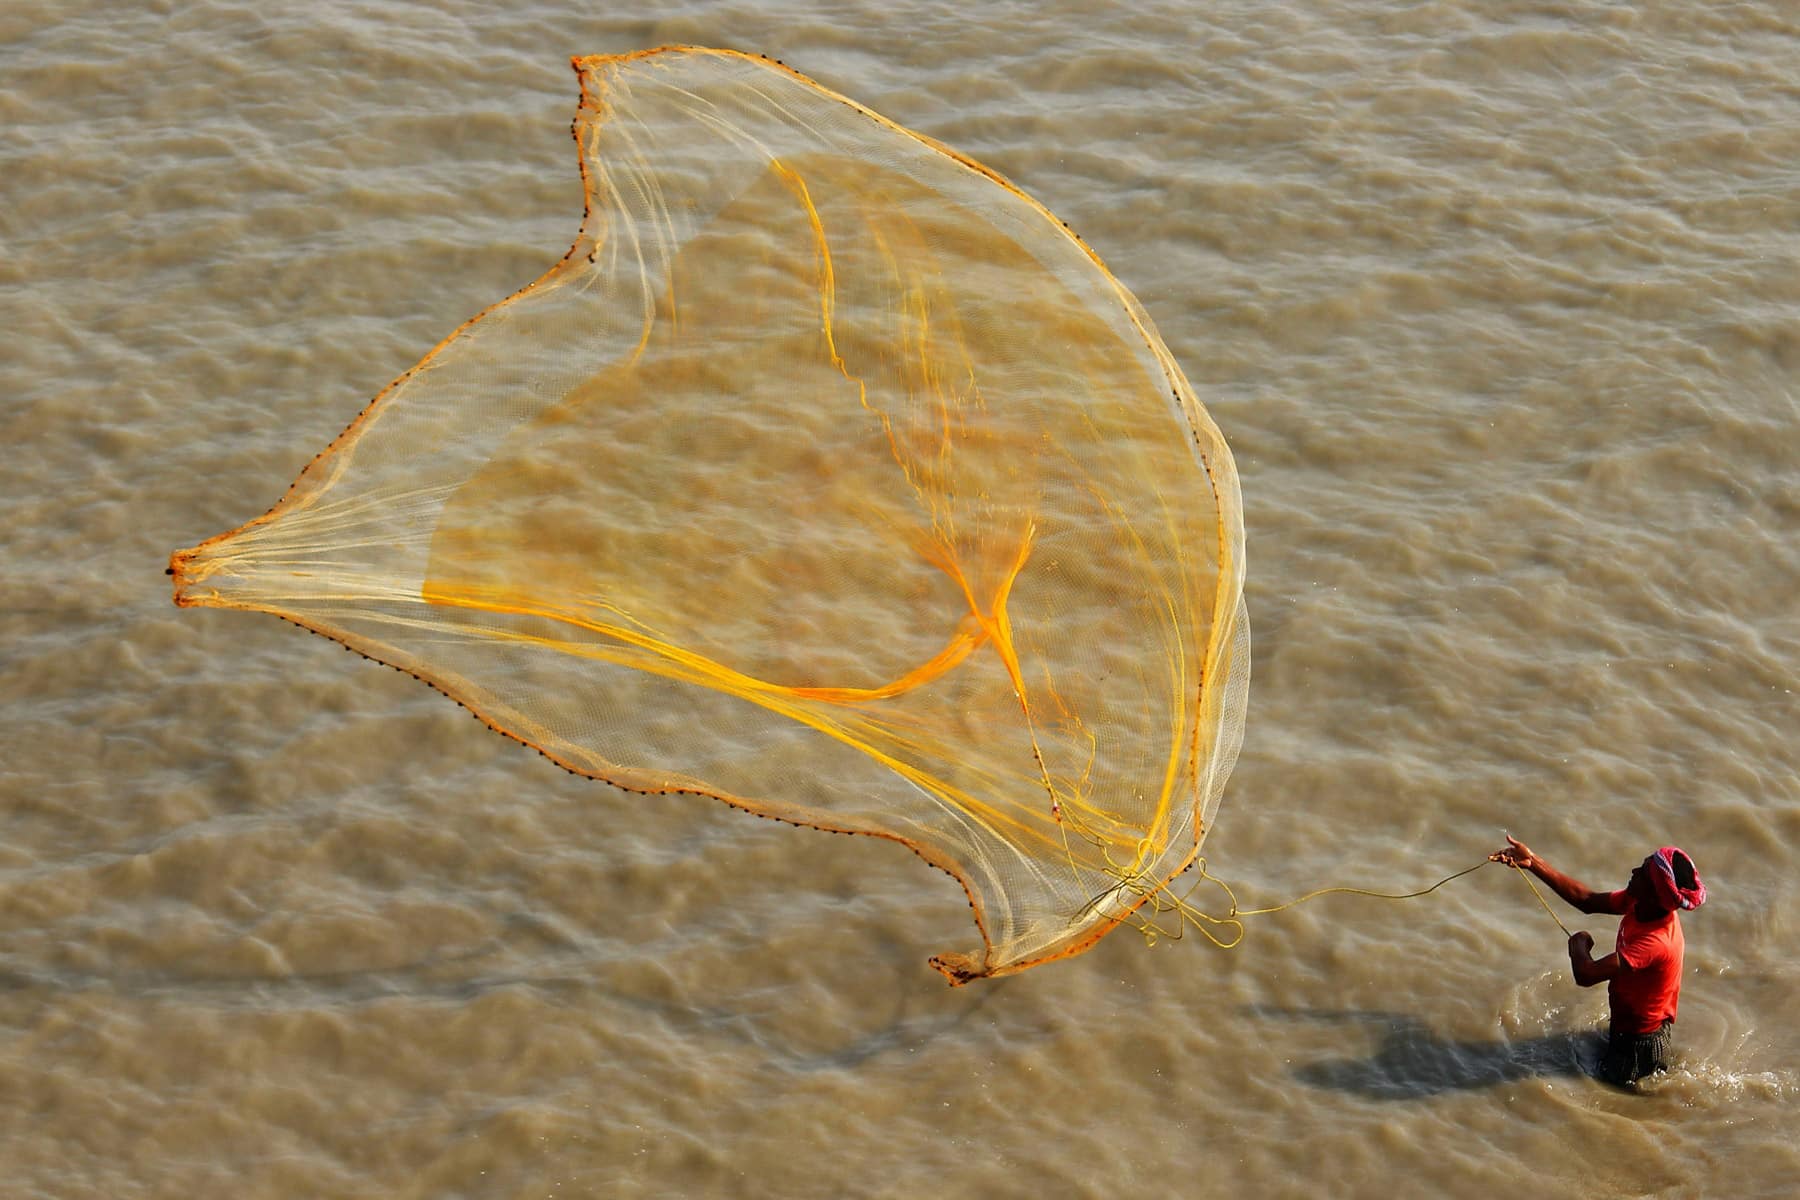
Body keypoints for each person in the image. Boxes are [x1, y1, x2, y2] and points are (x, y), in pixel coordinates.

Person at [1489, 835, 1706, 1088]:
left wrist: (1578, 947)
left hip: (1639, 1043)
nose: (1634, 871)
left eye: (1643, 872)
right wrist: (1532, 861)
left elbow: (1586, 974)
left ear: (1654, 893)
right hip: (1627, 1028)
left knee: (1619, 1098)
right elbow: (1587, 900)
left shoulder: (1656, 941)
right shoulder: (1640, 902)